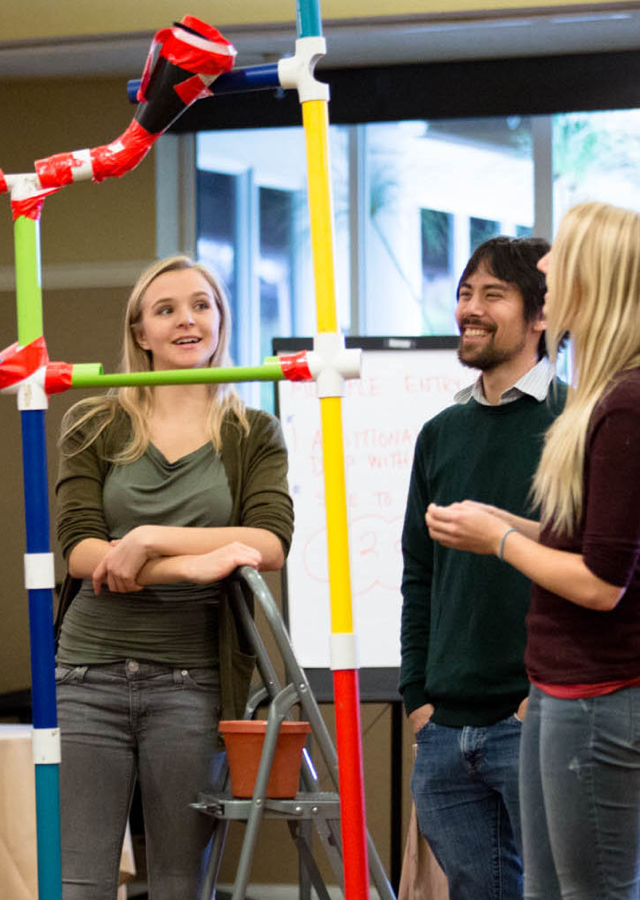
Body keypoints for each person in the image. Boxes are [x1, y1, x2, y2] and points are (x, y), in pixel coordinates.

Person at [54, 255, 294, 900]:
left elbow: (268, 542)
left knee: (179, 887)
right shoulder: (94, 421)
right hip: (87, 674)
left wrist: (147, 539)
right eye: (166, 309)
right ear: (141, 333)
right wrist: (189, 565)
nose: (187, 319)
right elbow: (78, 548)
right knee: (79, 885)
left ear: (220, 320)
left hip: (192, 681)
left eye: (202, 304)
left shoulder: (253, 431)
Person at [425, 201, 640, 900]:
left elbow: (605, 581)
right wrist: (507, 523)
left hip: (597, 695)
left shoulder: (622, 404)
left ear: (593, 279)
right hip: (562, 691)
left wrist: (502, 539)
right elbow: (591, 541)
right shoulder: (603, 402)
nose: (546, 270)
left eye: (556, 262)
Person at [400, 235, 567, 900]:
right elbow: (420, 574)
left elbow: (598, 568)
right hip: (444, 729)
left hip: (537, 720)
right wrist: (418, 700)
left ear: (541, 315)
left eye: (492, 294)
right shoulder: (440, 432)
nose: (469, 308)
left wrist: (540, 702)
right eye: (466, 292)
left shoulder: (577, 421)